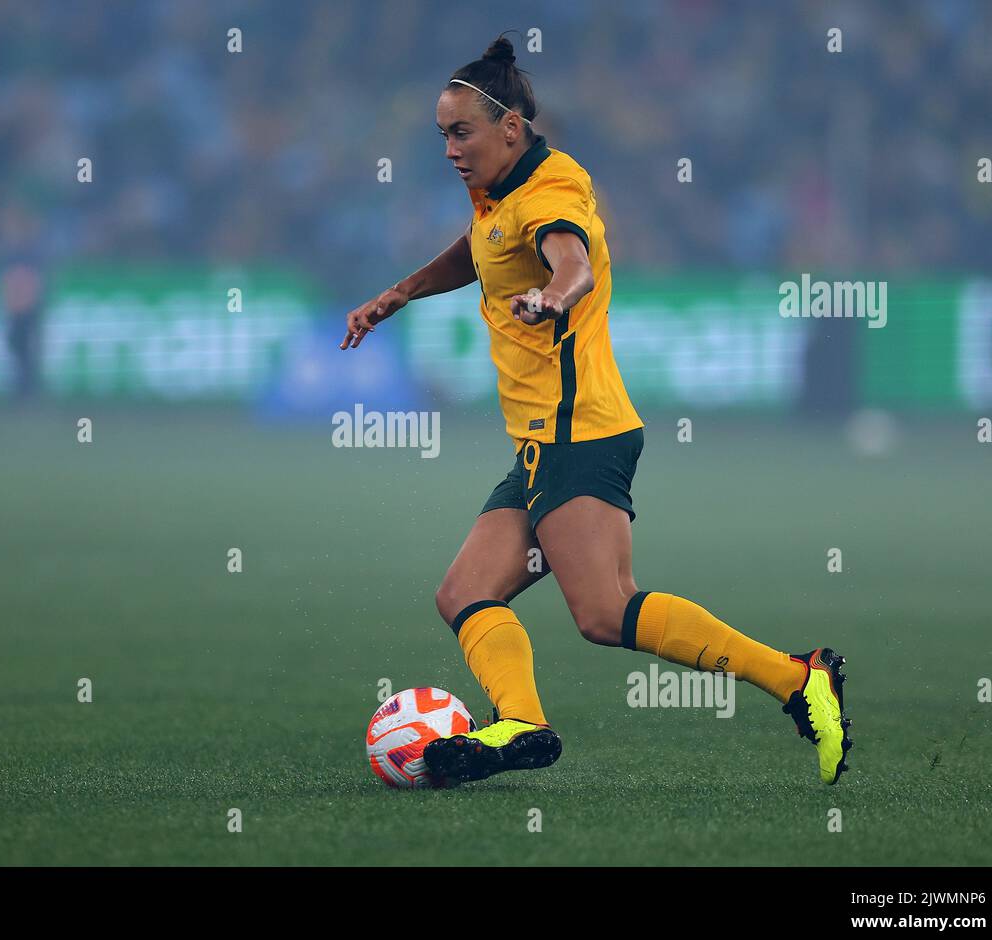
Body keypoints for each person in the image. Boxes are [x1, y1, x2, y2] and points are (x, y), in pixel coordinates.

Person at [341, 35, 852, 786]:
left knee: (605, 612)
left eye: (462, 132)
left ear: (509, 127)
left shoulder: (550, 193)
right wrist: (403, 292)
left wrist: (551, 298)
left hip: (580, 432)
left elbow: (570, 261)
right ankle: (522, 724)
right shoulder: (500, 188)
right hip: (543, 442)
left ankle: (796, 678)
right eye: (442, 135)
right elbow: (483, 247)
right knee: (464, 594)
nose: (450, 149)